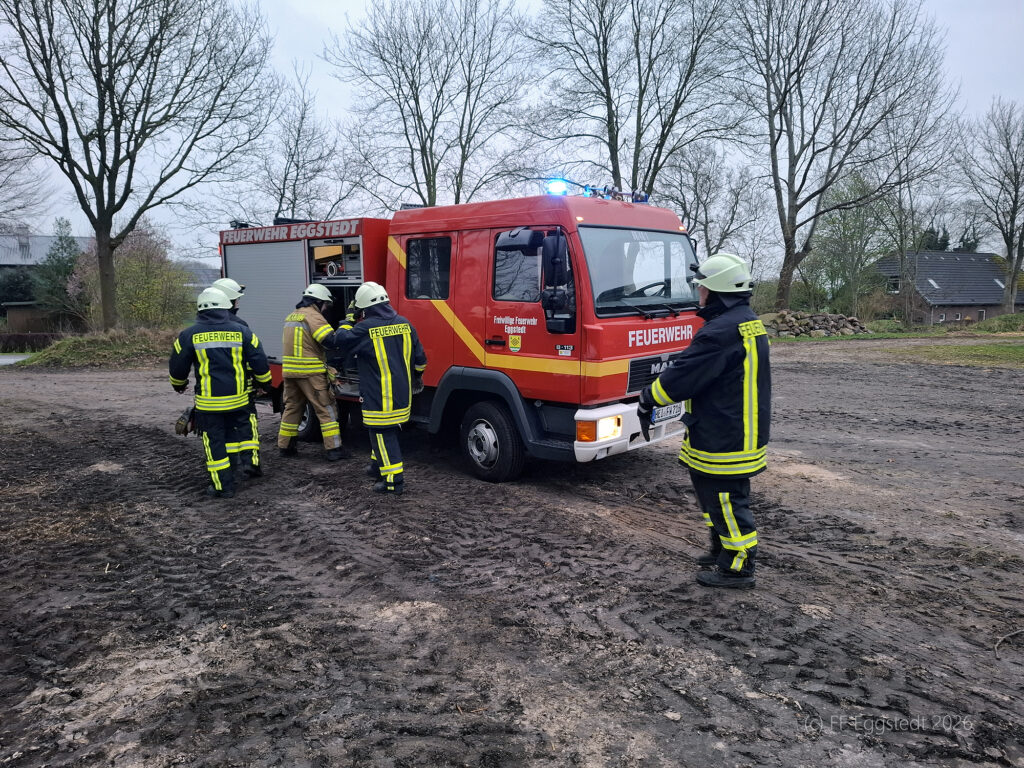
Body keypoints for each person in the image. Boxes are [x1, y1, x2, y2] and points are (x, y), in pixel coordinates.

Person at [637, 253, 770, 589]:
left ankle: (738, 568)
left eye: (702, 288)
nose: (699, 293)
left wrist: (648, 397)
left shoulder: (721, 331)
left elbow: (683, 375)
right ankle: (721, 549)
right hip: (730, 426)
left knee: (726, 499)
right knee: (712, 495)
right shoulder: (744, 321)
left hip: (725, 434)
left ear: (717, 290)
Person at [169, 288, 272, 498]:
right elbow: (260, 361)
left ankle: (223, 486)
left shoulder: (188, 335)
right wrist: (265, 384)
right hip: (239, 401)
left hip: (209, 405)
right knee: (233, 436)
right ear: (226, 307)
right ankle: (235, 470)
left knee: (214, 443)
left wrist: (179, 385)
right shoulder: (243, 331)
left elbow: (177, 367)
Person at [330, 281, 426, 494]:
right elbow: (421, 360)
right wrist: (417, 377)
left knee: (382, 433)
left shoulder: (365, 328)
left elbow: (339, 340)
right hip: (402, 395)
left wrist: (348, 319)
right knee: (381, 432)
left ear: (365, 308)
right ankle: (377, 466)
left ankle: (393, 482)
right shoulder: (405, 323)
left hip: (380, 394)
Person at [277, 283, 348, 461]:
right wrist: (346, 325)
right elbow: (330, 340)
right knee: (326, 409)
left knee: (292, 408)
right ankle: (334, 450)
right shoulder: (313, 316)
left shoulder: (292, 315)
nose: (326, 309)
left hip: (290, 372)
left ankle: (285, 446)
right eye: (326, 305)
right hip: (310, 372)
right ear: (318, 302)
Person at [209, 277, 262, 478]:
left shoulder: (199, 327)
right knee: (247, 424)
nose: (238, 303)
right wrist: (260, 381)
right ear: (229, 300)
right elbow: (253, 356)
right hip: (241, 389)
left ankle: (229, 467)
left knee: (222, 431)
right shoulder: (239, 325)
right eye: (236, 299)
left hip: (212, 392)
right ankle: (251, 462)